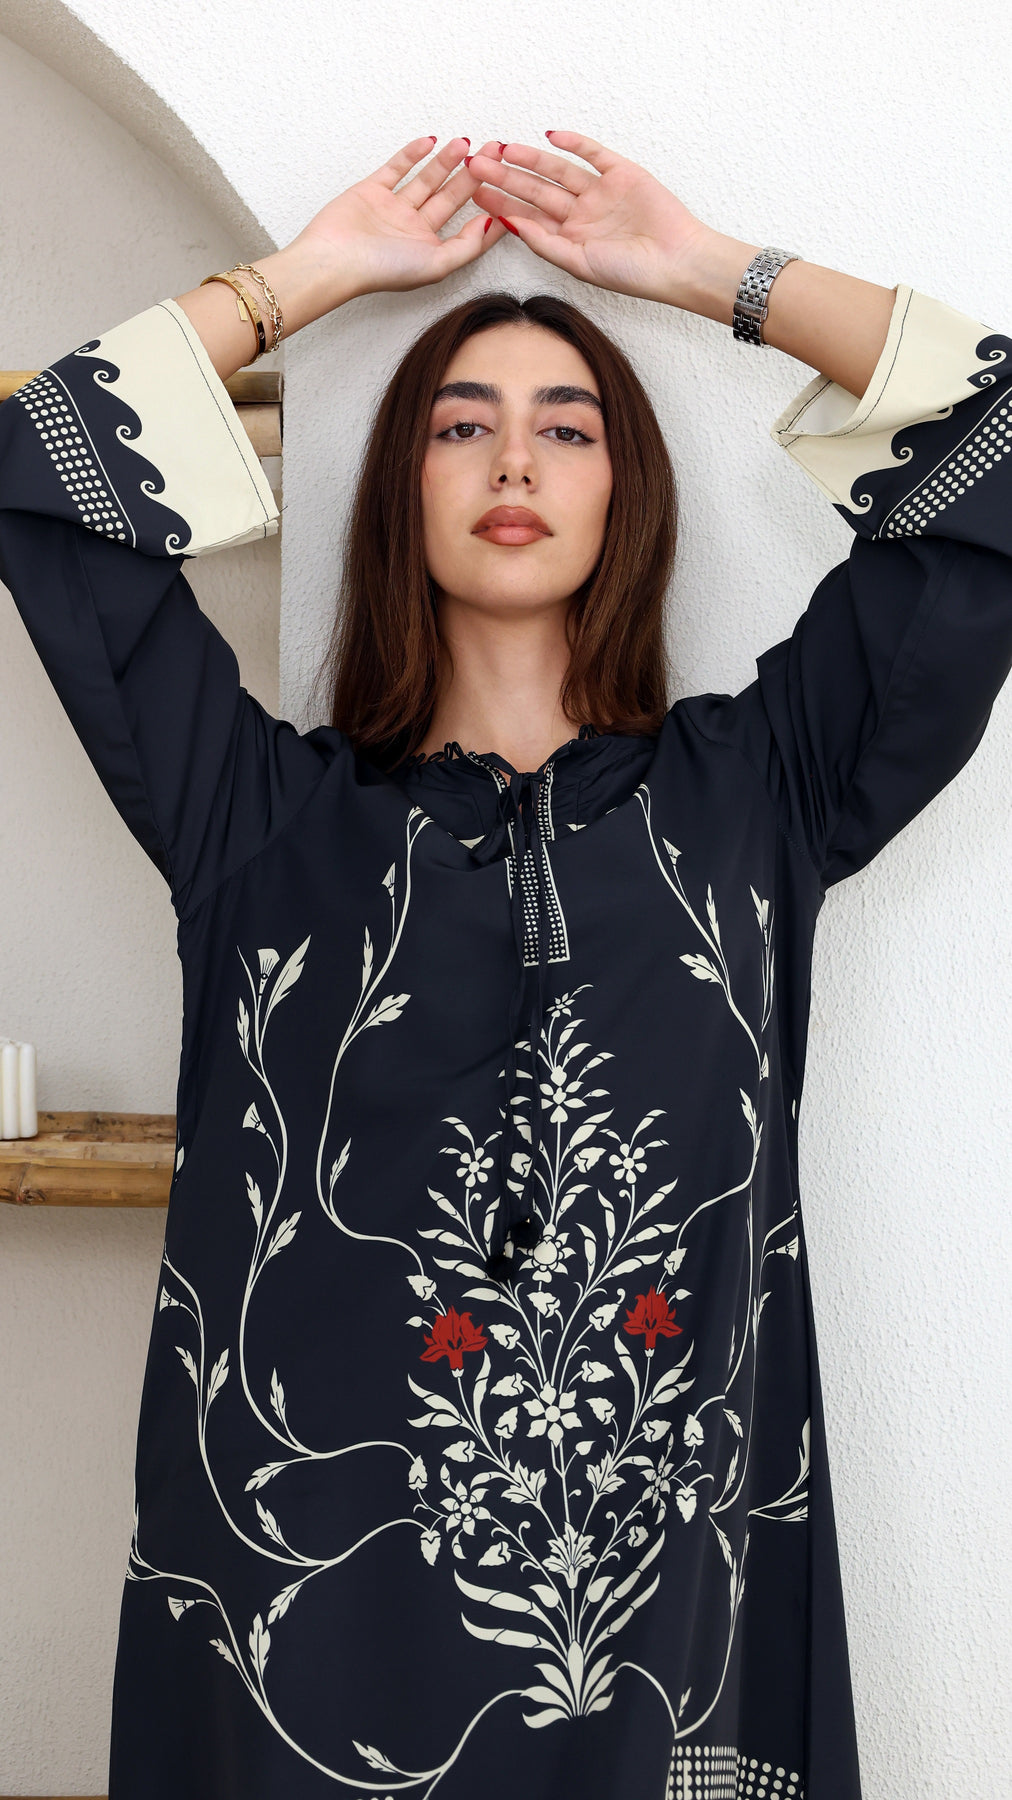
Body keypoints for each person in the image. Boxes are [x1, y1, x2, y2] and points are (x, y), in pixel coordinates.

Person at [1, 130, 1009, 1800]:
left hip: (661, 1647)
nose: (515, 458)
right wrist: (311, 279)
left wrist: (711, 274)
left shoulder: (757, 797)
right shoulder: (256, 819)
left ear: (629, 488)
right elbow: (45, 465)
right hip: (304, 1654)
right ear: (400, 485)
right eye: (459, 425)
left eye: (570, 425)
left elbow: (997, 441)